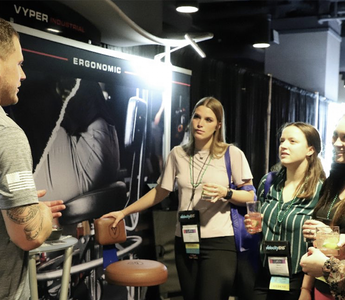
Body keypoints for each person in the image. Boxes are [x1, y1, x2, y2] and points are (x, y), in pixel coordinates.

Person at [102, 96, 257, 300]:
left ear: (218, 125)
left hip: (219, 242)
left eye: (208, 120)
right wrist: (124, 211)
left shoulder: (232, 154)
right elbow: (160, 191)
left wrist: (225, 193)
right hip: (186, 240)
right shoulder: (177, 154)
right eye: (197, 117)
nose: (200, 124)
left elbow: (250, 195)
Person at [0, 18, 65, 300]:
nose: (23, 75)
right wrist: (42, 214)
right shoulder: (7, 136)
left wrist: (19, 202)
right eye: (18, 63)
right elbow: (29, 234)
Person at [244, 122, 326, 300]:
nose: (284, 146)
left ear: (310, 150)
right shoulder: (268, 182)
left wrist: (306, 288)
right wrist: (254, 227)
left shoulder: (321, 191)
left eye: (292, 141)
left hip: (299, 279)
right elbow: (258, 224)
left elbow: (320, 246)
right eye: (282, 141)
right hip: (265, 275)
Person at [301, 114, 345, 300]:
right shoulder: (331, 184)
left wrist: (333, 237)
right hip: (321, 286)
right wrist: (305, 289)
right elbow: (316, 247)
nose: (337, 143)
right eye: (335, 136)